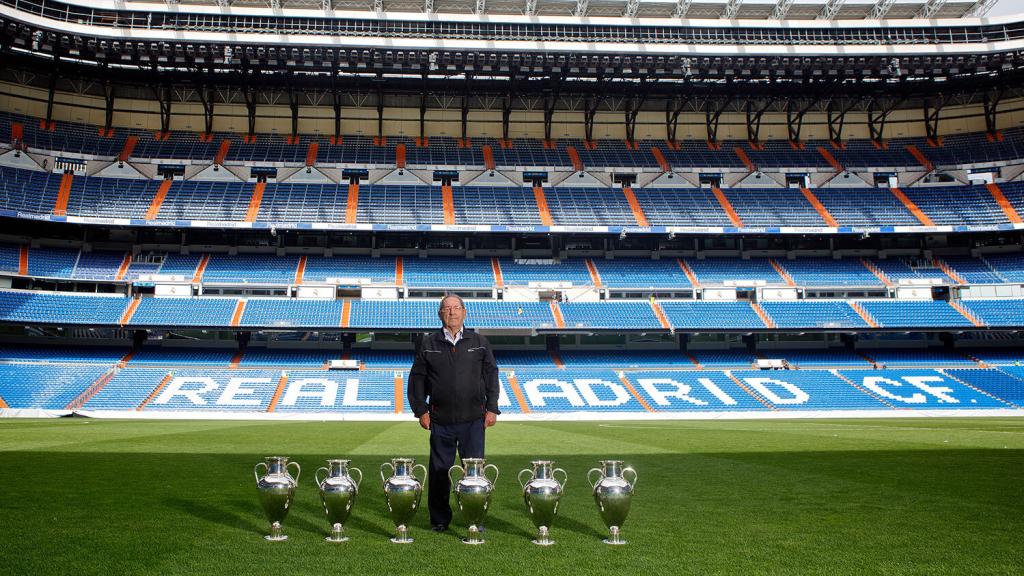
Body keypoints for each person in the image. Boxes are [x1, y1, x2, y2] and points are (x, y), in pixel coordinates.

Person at [407, 293, 500, 532]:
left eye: (456, 308)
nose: (452, 312)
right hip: (441, 420)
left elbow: (491, 375)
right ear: (440, 314)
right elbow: (417, 379)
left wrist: (492, 408)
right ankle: (439, 520)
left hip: (473, 420)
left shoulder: (479, 341)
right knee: (439, 473)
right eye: (446, 308)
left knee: (475, 474)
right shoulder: (428, 343)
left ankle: (475, 519)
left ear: (464, 312)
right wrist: (421, 411)